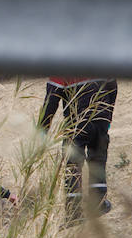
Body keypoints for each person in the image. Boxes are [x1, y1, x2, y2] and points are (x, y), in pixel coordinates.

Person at [39, 77, 118, 224]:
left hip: (77, 120)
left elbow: (51, 99)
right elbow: (113, 87)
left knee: (73, 164)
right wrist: (108, 118)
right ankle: (99, 203)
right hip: (101, 117)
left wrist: (42, 130)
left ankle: (74, 212)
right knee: (98, 159)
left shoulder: (63, 63)